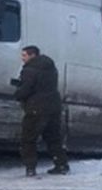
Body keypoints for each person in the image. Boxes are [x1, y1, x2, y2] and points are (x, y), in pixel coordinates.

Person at [13, 45, 70, 177]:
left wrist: (17, 94)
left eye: (24, 55)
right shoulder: (51, 68)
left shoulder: (30, 69)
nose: (22, 59)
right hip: (53, 107)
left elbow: (27, 89)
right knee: (53, 138)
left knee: (28, 138)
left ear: (32, 55)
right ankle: (61, 165)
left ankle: (30, 168)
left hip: (36, 107)